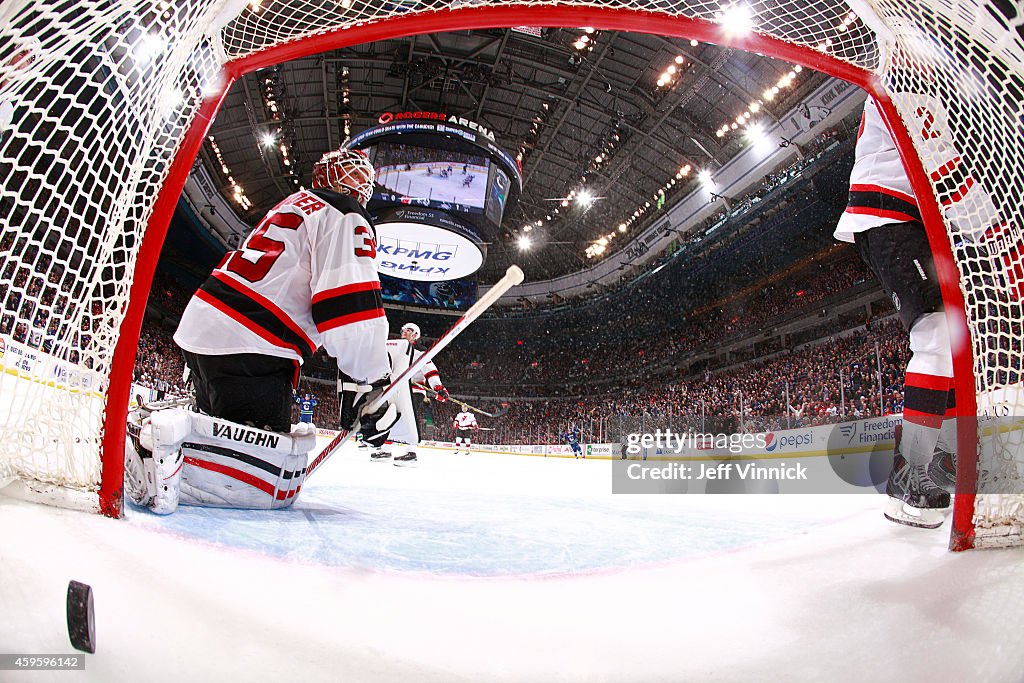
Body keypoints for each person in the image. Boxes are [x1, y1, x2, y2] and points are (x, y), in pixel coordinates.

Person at [124, 147, 398, 514]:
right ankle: (158, 438)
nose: (360, 183)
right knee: (255, 481)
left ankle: (163, 435)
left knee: (223, 429)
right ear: (330, 179)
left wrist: (358, 384)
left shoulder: (296, 204)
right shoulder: (346, 214)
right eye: (352, 174)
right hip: (252, 340)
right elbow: (351, 310)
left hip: (209, 322)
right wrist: (374, 378)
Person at [833, 94, 996, 528]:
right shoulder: (908, 76)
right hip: (890, 215)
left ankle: (934, 469)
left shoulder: (918, 75)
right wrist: (994, 230)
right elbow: (941, 161)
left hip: (904, 219)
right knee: (939, 336)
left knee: (957, 340)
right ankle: (912, 478)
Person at [369, 322, 449, 466]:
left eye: (409, 330)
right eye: (403, 330)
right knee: (391, 417)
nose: (404, 332)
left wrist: (438, 387)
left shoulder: (420, 352)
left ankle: (411, 452)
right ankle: (386, 449)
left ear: (415, 335)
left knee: (410, 418)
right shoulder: (395, 351)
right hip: (395, 390)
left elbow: (430, 371)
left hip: (414, 390)